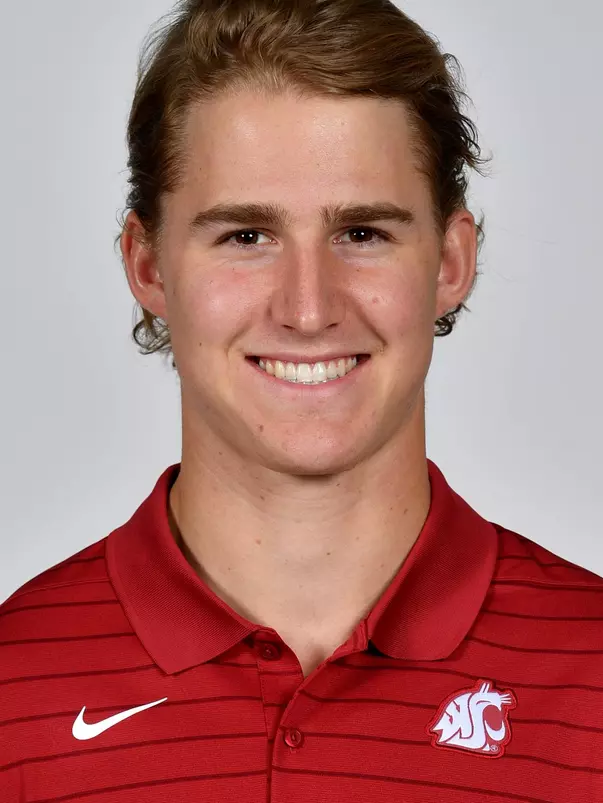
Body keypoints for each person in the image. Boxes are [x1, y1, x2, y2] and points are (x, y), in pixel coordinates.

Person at [2, 0, 602, 800]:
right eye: (245, 237)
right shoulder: (12, 690)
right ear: (148, 267)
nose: (308, 308)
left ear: (450, 262)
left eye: (362, 233)